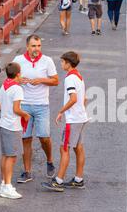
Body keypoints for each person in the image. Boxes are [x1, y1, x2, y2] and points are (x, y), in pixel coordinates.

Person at [13, 35, 59, 183]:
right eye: (33, 46)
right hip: (24, 105)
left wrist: (41, 80)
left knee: (44, 137)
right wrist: (19, 80)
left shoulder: (47, 61)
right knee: (25, 138)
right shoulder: (18, 60)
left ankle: (50, 160)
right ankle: (27, 172)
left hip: (41, 105)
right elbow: (11, 79)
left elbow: (56, 80)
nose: (36, 49)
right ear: (27, 47)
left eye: (38, 46)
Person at [42, 52, 89, 191]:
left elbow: (73, 98)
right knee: (78, 148)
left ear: (68, 63)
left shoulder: (69, 79)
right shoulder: (79, 76)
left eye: (62, 62)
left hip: (73, 120)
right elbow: (83, 99)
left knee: (64, 149)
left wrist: (61, 111)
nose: (61, 64)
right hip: (81, 117)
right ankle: (78, 179)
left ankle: (58, 181)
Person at [0, 62, 30, 199]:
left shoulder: (3, 86)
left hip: (3, 123)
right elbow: (16, 109)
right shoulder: (17, 89)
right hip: (13, 126)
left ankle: (4, 183)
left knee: (5, 155)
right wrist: (25, 115)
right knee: (12, 157)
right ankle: (8, 186)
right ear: (18, 74)